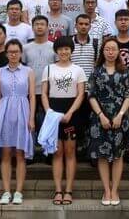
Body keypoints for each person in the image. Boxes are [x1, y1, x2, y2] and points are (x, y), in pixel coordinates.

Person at [0, 40, 36, 205]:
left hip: (23, 111)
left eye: (16, 52)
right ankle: (6, 191)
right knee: (5, 152)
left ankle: (18, 192)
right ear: (6, 53)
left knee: (20, 153)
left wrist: (31, 118)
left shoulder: (28, 71)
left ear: (21, 53)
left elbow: (32, 96)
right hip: (4, 112)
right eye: (10, 52)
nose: (13, 54)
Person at [87, 37, 129, 206]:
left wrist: (120, 114)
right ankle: (106, 190)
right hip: (100, 118)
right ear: (103, 51)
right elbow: (91, 95)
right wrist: (100, 115)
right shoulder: (96, 72)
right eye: (107, 49)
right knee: (102, 155)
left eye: (113, 49)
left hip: (120, 118)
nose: (110, 52)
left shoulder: (125, 71)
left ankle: (115, 190)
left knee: (117, 156)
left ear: (118, 52)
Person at [40, 37, 86, 205]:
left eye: (67, 49)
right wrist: (49, 112)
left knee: (70, 151)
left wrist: (70, 112)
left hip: (72, 112)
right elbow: (44, 93)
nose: (64, 52)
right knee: (57, 152)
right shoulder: (48, 69)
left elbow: (81, 94)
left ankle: (69, 190)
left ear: (71, 50)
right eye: (60, 49)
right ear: (56, 51)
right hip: (53, 111)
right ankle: (58, 190)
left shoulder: (78, 70)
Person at [22, 16, 56, 152]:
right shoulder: (25, 48)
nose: (39, 27)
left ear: (47, 27)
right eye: (36, 24)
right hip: (30, 91)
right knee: (30, 122)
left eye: (42, 24)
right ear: (32, 27)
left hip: (49, 92)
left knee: (48, 122)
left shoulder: (54, 47)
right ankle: (30, 151)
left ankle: (48, 151)